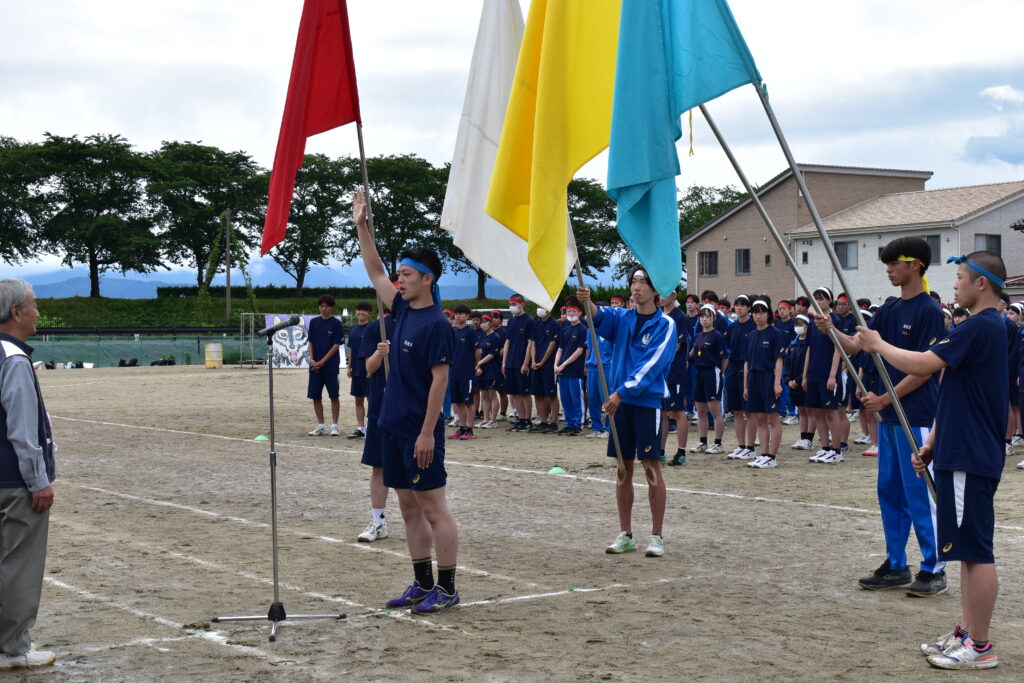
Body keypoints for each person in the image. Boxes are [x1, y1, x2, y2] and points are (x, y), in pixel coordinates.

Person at [858, 251, 1008, 670]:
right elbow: (956, 391)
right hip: (958, 449)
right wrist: (933, 443)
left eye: (960, 277)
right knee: (965, 551)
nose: (954, 284)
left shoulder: (981, 325)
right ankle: (967, 632)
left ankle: (980, 645)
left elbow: (924, 364)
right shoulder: (975, 326)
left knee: (977, 552)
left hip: (970, 454)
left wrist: (877, 344)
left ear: (981, 283)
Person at [817, 237, 946, 597]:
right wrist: (831, 330)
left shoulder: (930, 311)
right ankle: (896, 564)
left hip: (916, 417)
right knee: (890, 491)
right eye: (886, 263)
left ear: (915, 265)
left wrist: (886, 398)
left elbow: (925, 369)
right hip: (888, 417)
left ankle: (934, 567)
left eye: (894, 263)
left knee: (921, 493)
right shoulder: (889, 310)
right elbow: (857, 344)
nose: (888, 269)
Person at [353, 189, 460, 614]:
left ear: (428, 279)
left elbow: (440, 381)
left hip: (420, 432)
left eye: (408, 274)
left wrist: (427, 433)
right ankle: (422, 583)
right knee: (408, 508)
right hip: (392, 427)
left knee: (434, 509)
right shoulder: (400, 310)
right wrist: (362, 226)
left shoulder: (437, 324)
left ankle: (447, 589)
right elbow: (375, 270)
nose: (400, 280)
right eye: (400, 274)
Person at [577, 271, 676, 558]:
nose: (636, 287)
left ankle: (656, 536)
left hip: (645, 403)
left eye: (642, 282)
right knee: (622, 469)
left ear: (655, 290)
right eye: (633, 282)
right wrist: (587, 302)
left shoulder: (665, 324)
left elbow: (652, 365)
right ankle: (626, 534)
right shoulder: (622, 318)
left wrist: (621, 392)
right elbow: (599, 317)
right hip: (619, 404)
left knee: (651, 467)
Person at [0, 279, 56, 670]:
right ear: (16, 311)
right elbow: (22, 430)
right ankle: (13, 649)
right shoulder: (14, 359)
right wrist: (38, 481)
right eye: (33, 305)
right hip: (13, 482)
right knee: (19, 565)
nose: (38, 312)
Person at [356, 308, 396, 543]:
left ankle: (420, 523)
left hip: (409, 409)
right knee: (378, 467)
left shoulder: (419, 325)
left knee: (410, 469)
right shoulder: (375, 329)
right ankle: (378, 522)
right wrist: (379, 354)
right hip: (380, 407)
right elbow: (369, 370)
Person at [742, 299, 786, 468]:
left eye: (761, 312)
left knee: (773, 418)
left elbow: (779, 360)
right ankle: (764, 454)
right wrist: (746, 386)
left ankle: (772, 457)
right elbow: (747, 363)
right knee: (759, 418)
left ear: (768, 314)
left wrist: (777, 382)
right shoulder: (751, 335)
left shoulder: (775, 333)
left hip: (768, 377)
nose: (758, 316)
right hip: (753, 378)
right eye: (755, 313)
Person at [803, 288, 844, 463]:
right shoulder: (813, 322)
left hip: (828, 374)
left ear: (829, 301)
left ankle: (837, 450)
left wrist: (833, 375)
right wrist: (805, 375)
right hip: (814, 373)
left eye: (821, 298)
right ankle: (825, 448)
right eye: (816, 298)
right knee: (817, 411)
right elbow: (809, 349)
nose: (818, 301)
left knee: (831, 412)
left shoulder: (834, 320)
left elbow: (838, 349)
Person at [689, 305, 727, 455]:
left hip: (712, 372)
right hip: (699, 373)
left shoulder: (717, 336)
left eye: (708, 317)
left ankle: (718, 443)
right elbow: (693, 354)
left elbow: (724, 358)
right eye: (702, 316)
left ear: (713, 319)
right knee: (701, 411)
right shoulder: (698, 336)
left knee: (715, 410)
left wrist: (719, 373)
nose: (704, 319)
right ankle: (703, 441)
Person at [307, 295, 344, 436]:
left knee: (334, 395)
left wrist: (322, 361)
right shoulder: (314, 322)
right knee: (315, 396)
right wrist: (312, 359)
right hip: (315, 366)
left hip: (330, 366)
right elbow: (310, 342)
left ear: (331, 307)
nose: (323, 309)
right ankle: (321, 425)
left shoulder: (336, 323)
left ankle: (335, 425)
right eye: (321, 306)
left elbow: (336, 345)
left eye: (326, 306)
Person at [724, 295, 756, 460]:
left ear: (749, 308)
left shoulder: (754, 326)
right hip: (733, 368)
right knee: (736, 410)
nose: (739, 307)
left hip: (748, 368)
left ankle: (751, 447)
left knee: (749, 411)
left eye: (743, 305)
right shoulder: (732, 327)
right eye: (737, 305)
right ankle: (741, 445)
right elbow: (728, 348)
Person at [661, 289, 689, 466]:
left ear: (674, 295)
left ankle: (681, 452)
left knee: (677, 411)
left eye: (666, 293)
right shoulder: (658, 315)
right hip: (661, 371)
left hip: (675, 371)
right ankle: (660, 450)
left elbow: (677, 346)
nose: (661, 297)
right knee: (663, 412)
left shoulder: (680, 317)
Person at [553, 302, 587, 436]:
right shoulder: (565, 329)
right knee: (565, 399)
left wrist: (563, 364)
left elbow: (579, 351)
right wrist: (556, 364)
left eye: (574, 311)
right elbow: (560, 349)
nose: (571, 314)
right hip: (562, 371)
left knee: (576, 398)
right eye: (568, 311)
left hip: (575, 370)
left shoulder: (583, 329)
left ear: (579, 313)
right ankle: (569, 423)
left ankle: (578, 424)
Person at [502, 295, 534, 432]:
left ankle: (527, 420)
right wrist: (504, 362)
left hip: (521, 361)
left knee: (524, 393)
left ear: (522, 304)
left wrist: (526, 363)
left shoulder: (529, 321)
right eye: (510, 304)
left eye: (514, 304)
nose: (512, 307)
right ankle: (521, 419)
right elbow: (507, 342)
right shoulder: (511, 321)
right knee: (514, 393)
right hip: (510, 362)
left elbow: (530, 343)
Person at [448, 304, 478, 441]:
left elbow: (478, 350)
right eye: (456, 313)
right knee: (458, 402)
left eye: (461, 313)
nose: (458, 315)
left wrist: (476, 365)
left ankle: (470, 429)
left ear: (467, 316)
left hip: (467, 372)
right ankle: (462, 427)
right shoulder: (453, 331)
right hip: (454, 372)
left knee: (469, 402)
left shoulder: (470, 332)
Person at [785, 314, 815, 450]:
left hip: (805, 382)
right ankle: (803, 437)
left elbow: (808, 365)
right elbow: (787, 364)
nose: (798, 327)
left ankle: (809, 439)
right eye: (796, 324)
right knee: (801, 410)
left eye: (801, 324)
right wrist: (788, 380)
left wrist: (798, 380)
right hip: (793, 383)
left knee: (810, 410)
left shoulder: (810, 344)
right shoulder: (793, 344)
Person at [528, 305, 559, 433]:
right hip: (536, 364)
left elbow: (552, 344)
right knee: (538, 393)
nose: (539, 309)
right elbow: (533, 343)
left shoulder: (554, 324)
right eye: (538, 307)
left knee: (551, 394)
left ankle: (554, 423)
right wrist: (533, 361)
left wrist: (542, 361)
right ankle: (543, 421)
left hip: (548, 365)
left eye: (542, 307)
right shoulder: (537, 324)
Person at [584, 303, 613, 439]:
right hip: (592, 367)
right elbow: (589, 348)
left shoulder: (609, 330)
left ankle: (609, 428)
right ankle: (597, 428)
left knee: (606, 399)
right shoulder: (590, 330)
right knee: (593, 399)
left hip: (606, 367)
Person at [346, 301, 373, 439]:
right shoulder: (353, 329)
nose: (361, 313)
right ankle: (360, 428)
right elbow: (351, 350)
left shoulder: (372, 328)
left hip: (369, 370)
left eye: (364, 310)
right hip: (356, 369)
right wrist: (349, 366)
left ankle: (371, 429)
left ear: (369, 313)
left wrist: (371, 368)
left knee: (371, 400)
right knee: (358, 400)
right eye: (359, 310)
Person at [474, 315, 502, 428]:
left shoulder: (495, 337)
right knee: (484, 395)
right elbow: (479, 353)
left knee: (492, 395)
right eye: (482, 322)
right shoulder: (482, 337)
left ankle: (493, 420)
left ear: (490, 323)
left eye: (485, 322)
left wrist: (479, 364)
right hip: (482, 370)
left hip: (492, 370)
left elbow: (491, 354)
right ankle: (486, 419)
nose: (483, 324)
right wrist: (479, 367)